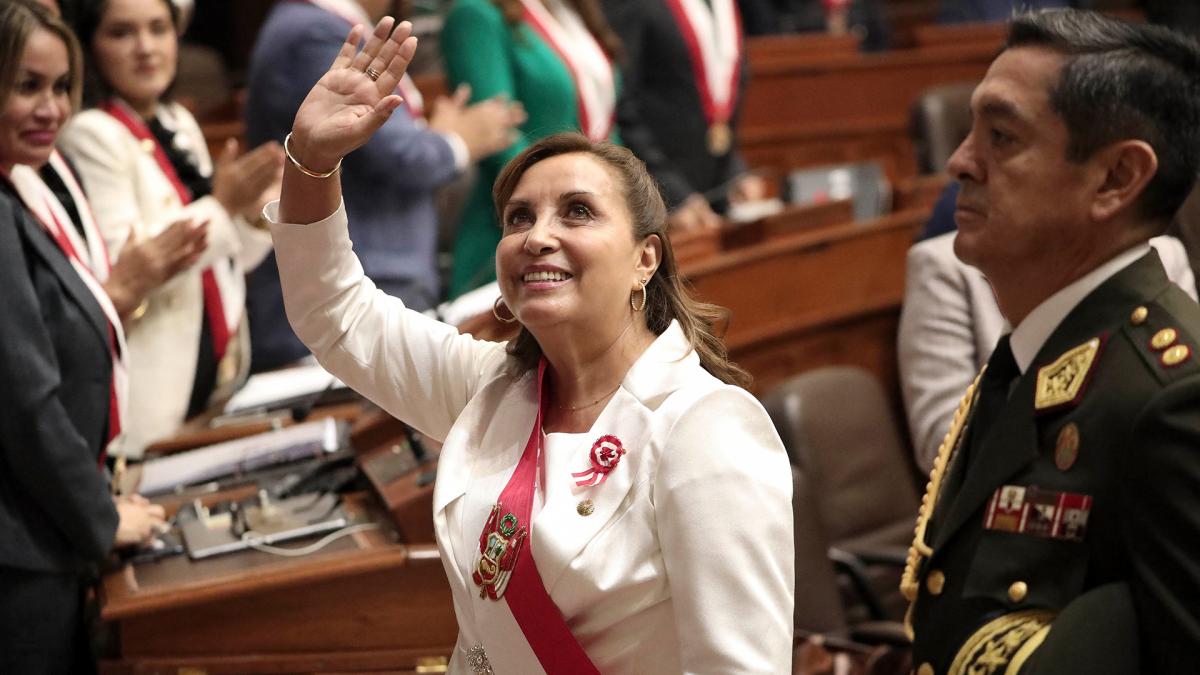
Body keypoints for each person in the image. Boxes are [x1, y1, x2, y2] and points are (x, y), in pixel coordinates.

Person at [268, 18, 794, 672]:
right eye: (520, 217)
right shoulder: (489, 388)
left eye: (576, 211)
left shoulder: (705, 426)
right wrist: (312, 162)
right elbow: (335, 312)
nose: (537, 236)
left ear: (645, 259)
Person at [901, 9, 1200, 674]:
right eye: (969, 130)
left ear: (1116, 178)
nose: (959, 161)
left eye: (1001, 136)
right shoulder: (1034, 352)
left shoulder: (1173, 396)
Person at [0, 2, 166, 670]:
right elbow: (24, 400)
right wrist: (100, 517)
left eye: (62, 87)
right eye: (27, 86)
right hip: (19, 565)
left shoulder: (15, 194)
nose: (52, 109)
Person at [244, 0, 524, 371]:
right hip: (346, 306)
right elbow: (392, 154)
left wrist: (435, 134)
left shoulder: (322, 25)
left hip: (380, 291)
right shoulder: (311, 31)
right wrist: (456, 141)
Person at [58, 0, 281, 457]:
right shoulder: (90, 133)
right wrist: (223, 204)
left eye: (159, 29)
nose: (146, 48)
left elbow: (222, 257)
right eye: (122, 33)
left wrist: (250, 215)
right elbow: (130, 266)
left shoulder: (175, 120)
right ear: (89, 45)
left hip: (214, 390)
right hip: (150, 403)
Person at [899, 231, 1196, 472]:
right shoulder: (945, 265)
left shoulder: (1162, 252)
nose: (962, 165)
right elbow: (941, 445)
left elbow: (1183, 386)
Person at [441, 0, 622, 297]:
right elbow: (496, 131)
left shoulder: (573, 11)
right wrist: (584, 198)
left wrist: (623, 198)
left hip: (590, 221)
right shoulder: (477, 13)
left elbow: (604, 120)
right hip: (520, 229)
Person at [602, 0, 767, 232]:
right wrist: (671, 193)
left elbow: (720, 91)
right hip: (656, 206)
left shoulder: (725, 5)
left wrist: (733, 171)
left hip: (713, 198)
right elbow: (619, 105)